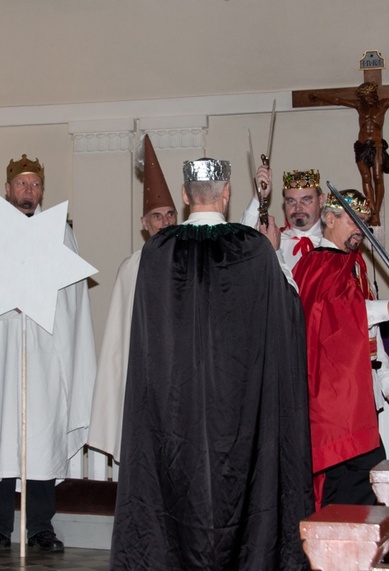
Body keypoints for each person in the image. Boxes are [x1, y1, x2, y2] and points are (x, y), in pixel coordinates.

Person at [110, 158, 314, 570]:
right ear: (227, 193)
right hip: (239, 411)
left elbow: (148, 341)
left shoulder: (157, 252)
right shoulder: (253, 249)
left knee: (175, 489)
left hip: (175, 411)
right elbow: (287, 312)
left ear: (185, 195)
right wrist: (276, 257)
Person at [0, 154, 96, 552]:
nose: (29, 191)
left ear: (42, 190)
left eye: (35, 184)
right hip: (2, 348)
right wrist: (3, 302)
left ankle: (40, 526)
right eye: (22, 184)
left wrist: (40, 300)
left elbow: (73, 299)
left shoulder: (60, 234)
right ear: (8, 189)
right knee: (2, 433)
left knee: (42, 433)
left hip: (45, 349)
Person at [292, 188, 389, 509]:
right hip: (334, 398)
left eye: (364, 223)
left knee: (364, 480)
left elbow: (367, 331)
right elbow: (337, 317)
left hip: (358, 393)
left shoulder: (354, 265)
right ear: (330, 219)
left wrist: (388, 382)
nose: (361, 230)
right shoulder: (318, 263)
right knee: (349, 482)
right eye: (354, 221)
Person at [87, 134, 176, 462]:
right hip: (144, 379)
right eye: (157, 216)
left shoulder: (190, 262)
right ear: (144, 223)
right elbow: (118, 339)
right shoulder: (131, 269)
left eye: (170, 215)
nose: (165, 222)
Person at [307, 81, 389, 225]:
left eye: (369, 96)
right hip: (361, 146)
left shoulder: (383, 104)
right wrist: (318, 96)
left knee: (377, 177)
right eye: (364, 97)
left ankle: (376, 211)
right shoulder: (360, 106)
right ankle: (372, 211)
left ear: (374, 95)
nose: (367, 99)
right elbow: (338, 100)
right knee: (365, 178)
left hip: (376, 146)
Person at [240, 165, 326, 276]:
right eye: (291, 201)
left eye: (305, 200)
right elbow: (242, 245)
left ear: (321, 200)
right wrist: (259, 197)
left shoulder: (333, 243)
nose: (298, 208)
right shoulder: (274, 240)